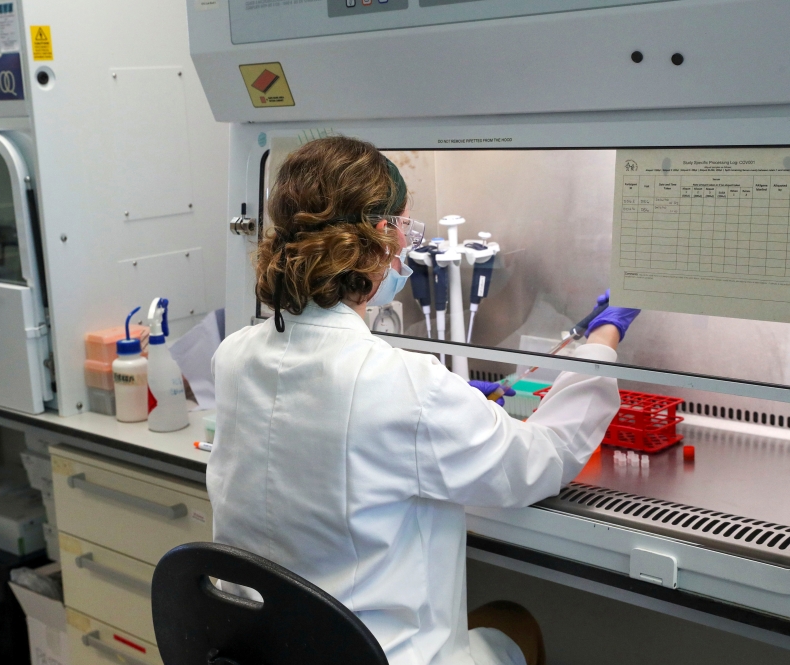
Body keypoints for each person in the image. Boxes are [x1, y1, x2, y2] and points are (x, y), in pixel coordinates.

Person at [208, 137, 640, 665]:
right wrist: (601, 343)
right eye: (407, 230)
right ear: (381, 238)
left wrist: (451, 408)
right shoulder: (402, 385)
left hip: (266, 655)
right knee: (515, 622)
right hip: (382, 658)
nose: (407, 249)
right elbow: (540, 460)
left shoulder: (233, 356)